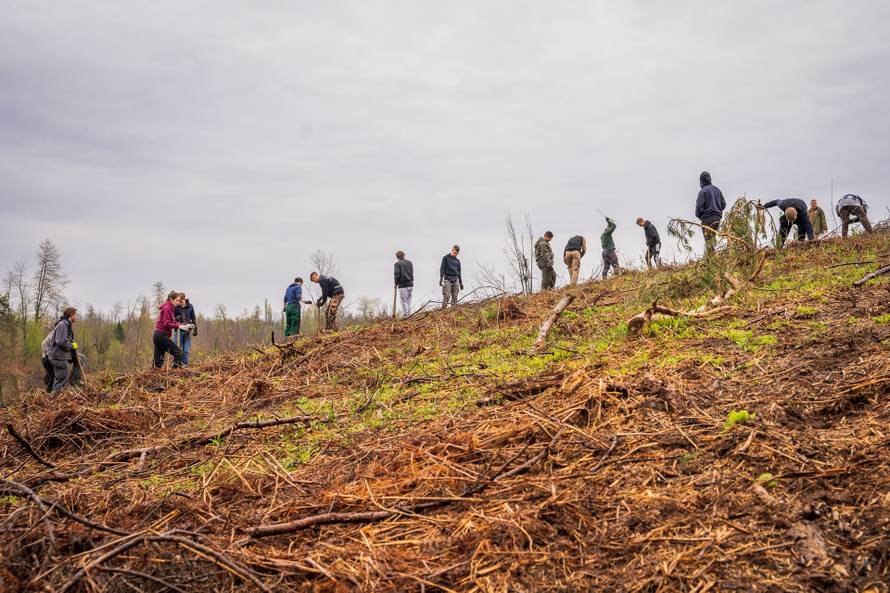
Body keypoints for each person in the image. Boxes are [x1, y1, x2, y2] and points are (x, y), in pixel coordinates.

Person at [154, 292, 190, 369]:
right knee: (178, 353)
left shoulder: (170, 308)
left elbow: (172, 322)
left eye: (179, 300)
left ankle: (156, 374)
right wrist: (179, 326)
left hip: (157, 336)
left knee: (158, 360)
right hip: (161, 336)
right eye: (176, 300)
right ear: (171, 299)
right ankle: (173, 371)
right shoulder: (167, 308)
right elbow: (166, 324)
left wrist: (183, 326)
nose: (178, 302)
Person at [49, 307, 82, 393]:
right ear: (71, 315)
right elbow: (61, 342)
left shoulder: (67, 324)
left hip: (63, 354)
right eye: (75, 314)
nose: (76, 316)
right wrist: (72, 346)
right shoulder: (63, 324)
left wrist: (72, 344)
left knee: (81, 359)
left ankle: (74, 382)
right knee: (61, 378)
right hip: (58, 356)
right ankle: (52, 398)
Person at [695, 171, 726, 256]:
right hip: (717, 219)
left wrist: (700, 216)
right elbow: (723, 204)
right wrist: (717, 211)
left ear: (701, 181)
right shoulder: (717, 190)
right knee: (712, 240)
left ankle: (711, 261)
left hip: (707, 220)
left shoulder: (703, 191)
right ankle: (712, 259)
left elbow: (699, 208)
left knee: (708, 242)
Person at [174, 294, 198, 365]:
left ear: (184, 300)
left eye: (181, 301)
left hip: (187, 331)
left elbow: (193, 318)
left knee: (186, 350)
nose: (180, 303)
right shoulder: (176, 307)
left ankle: (185, 365)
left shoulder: (190, 306)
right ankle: (176, 364)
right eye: (179, 301)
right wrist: (177, 318)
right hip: (178, 331)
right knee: (178, 349)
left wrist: (196, 328)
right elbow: (172, 319)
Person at [394, 251, 414, 317]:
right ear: (404, 255)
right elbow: (411, 272)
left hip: (403, 285)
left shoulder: (397, 264)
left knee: (404, 301)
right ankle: (408, 313)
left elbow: (397, 274)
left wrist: (396, 283)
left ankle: (406, 315)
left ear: (397, 257)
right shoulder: (409, 262)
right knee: (409, 301)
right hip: (410, 284)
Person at [41, 328, 56, 393]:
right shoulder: (54, 333)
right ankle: (48, 393)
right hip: (47, 358)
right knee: (53, 376)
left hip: (49, 358)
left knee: (52, 375)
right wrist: (49, 354)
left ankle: (47, 383)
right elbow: (44, 343)